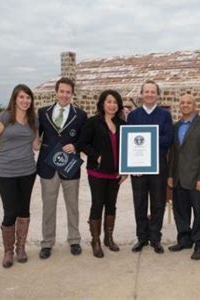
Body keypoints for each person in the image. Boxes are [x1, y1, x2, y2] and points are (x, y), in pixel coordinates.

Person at [0, 84, 39, 268]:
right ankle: (8, 251)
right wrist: (4, 156)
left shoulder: (33, 119)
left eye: (28, 97)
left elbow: (35, 146)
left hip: (28, 171)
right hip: (6, 173)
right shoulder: (4, 117)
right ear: (15, 99)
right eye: (22, 97)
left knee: (24, 210)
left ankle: (21, 248)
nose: (25, 101)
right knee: (10, 212)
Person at [37, 77, 88, 259]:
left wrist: (75, 146)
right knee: (48, 206)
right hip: (48, 167)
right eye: (62, 91)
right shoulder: (43, 112)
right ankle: (47, 242)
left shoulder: (80, 115)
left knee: (72, 205)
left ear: (72, 94)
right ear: (56, 92)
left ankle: (74, 239)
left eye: (68, 92)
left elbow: (84, 139)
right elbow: (36, 138)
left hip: (70, 166)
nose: (65, 95)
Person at [77, 90, 127, 258]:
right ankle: (96, 240)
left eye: (115, 102)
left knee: (111, 204)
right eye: (109, 102)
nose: (112, 105)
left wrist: (125, 169)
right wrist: (96, 156)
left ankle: (109, 238)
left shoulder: (122, 124)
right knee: (98, 203)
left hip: (116, 173)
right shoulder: (93, 122)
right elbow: (82, 143)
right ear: (102, 104)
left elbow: (127, 149)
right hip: (97, 172)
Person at [167, 94, 200, 260]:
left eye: (189, 103)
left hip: (197, 179)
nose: (185, 105)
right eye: (182, 103)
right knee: (180, 212)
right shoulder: (176, 126)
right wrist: (170, 175)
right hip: (179, 178)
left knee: (199, 212)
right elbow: (173, 154)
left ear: (195, 105)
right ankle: (184, 240)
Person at [127, 80, 174, 254]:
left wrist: (147, 138)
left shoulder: (164, 115)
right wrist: (132, 164)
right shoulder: (133, 116)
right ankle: (142, 238)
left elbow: (168, 139)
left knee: (158, 202)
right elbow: (130, 141)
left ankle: (155, 238)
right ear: (141, 94)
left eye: (152, 92)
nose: (149, 94)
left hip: (158, 165)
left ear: (158, 95)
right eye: (146, 91)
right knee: (139, 202)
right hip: (138, 166)